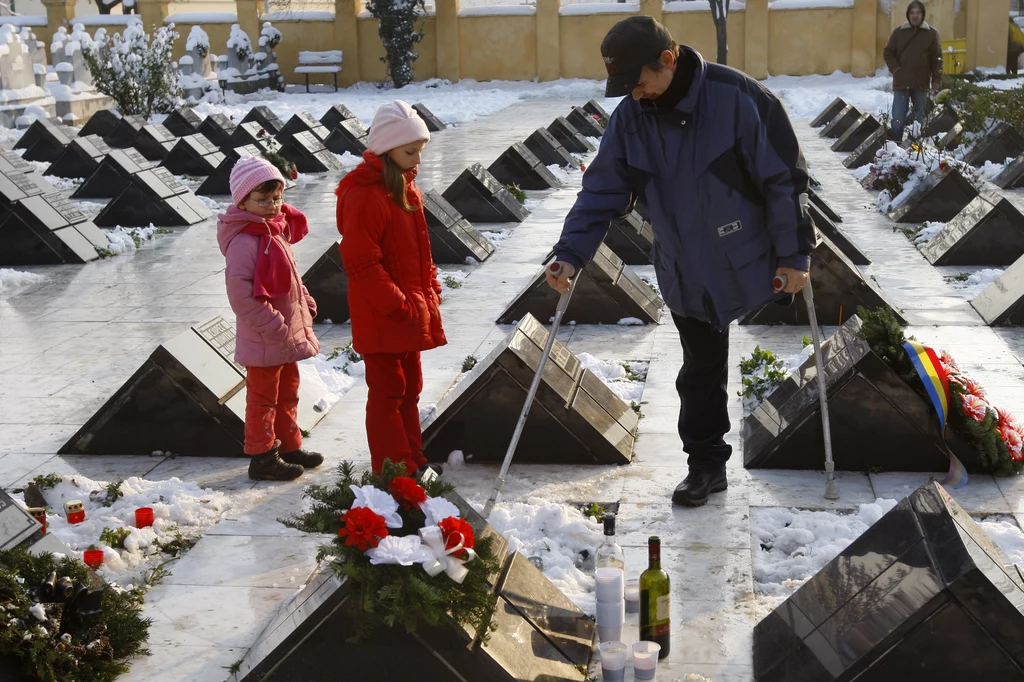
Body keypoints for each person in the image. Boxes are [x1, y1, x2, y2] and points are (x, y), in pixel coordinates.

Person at [546, 16, 814, 507]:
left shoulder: (739, 99)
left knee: (735, 359)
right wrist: (569, 254)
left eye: (640, 81)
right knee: (699, 371)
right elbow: (602, 189)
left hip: (750, 256)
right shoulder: (631, 116)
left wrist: (795, 254)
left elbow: (785, 180)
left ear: (667, 60)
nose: (636, 94)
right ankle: (706, 465)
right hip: (685, 266)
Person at [335, 100, 447, 476]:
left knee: (410, 390)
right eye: (409, 151)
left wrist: (430, 287)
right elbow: (362, 263)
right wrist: (397, 305)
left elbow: (418, 249)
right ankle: (392, 468)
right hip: (385, 316)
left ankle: (412, 457)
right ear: (386, 150)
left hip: (409, 312)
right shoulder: (365, 195)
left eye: (420, 150)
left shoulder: (404, 187)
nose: (417, 158)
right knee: (387, 395)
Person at [218, 155, 324, 481]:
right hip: (265, 336)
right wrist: (274, 325)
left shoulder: (275, 231)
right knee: (263, 399)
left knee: (289, 390)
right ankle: (262, 456)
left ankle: (290, 445)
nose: (272, 206)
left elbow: (291, 277)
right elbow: (242, 296)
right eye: (262, 200)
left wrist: (304, 300)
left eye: (277, 198)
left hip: (284, 333)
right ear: (243, 200)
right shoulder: (244, 241)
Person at [883, 1, 942, 141]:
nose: (915, 16)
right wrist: (897, 69)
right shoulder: (899, 32)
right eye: (912, 13)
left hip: (921, 82)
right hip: (901, 81)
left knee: (919, 118)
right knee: (898, 117)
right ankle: (894, 147)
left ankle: (914, 147)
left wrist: (937, 79)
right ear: (908, 15)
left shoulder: (931, 34)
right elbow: (888, 53)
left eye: (918, 12)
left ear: (923, 14)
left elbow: (937, 59)